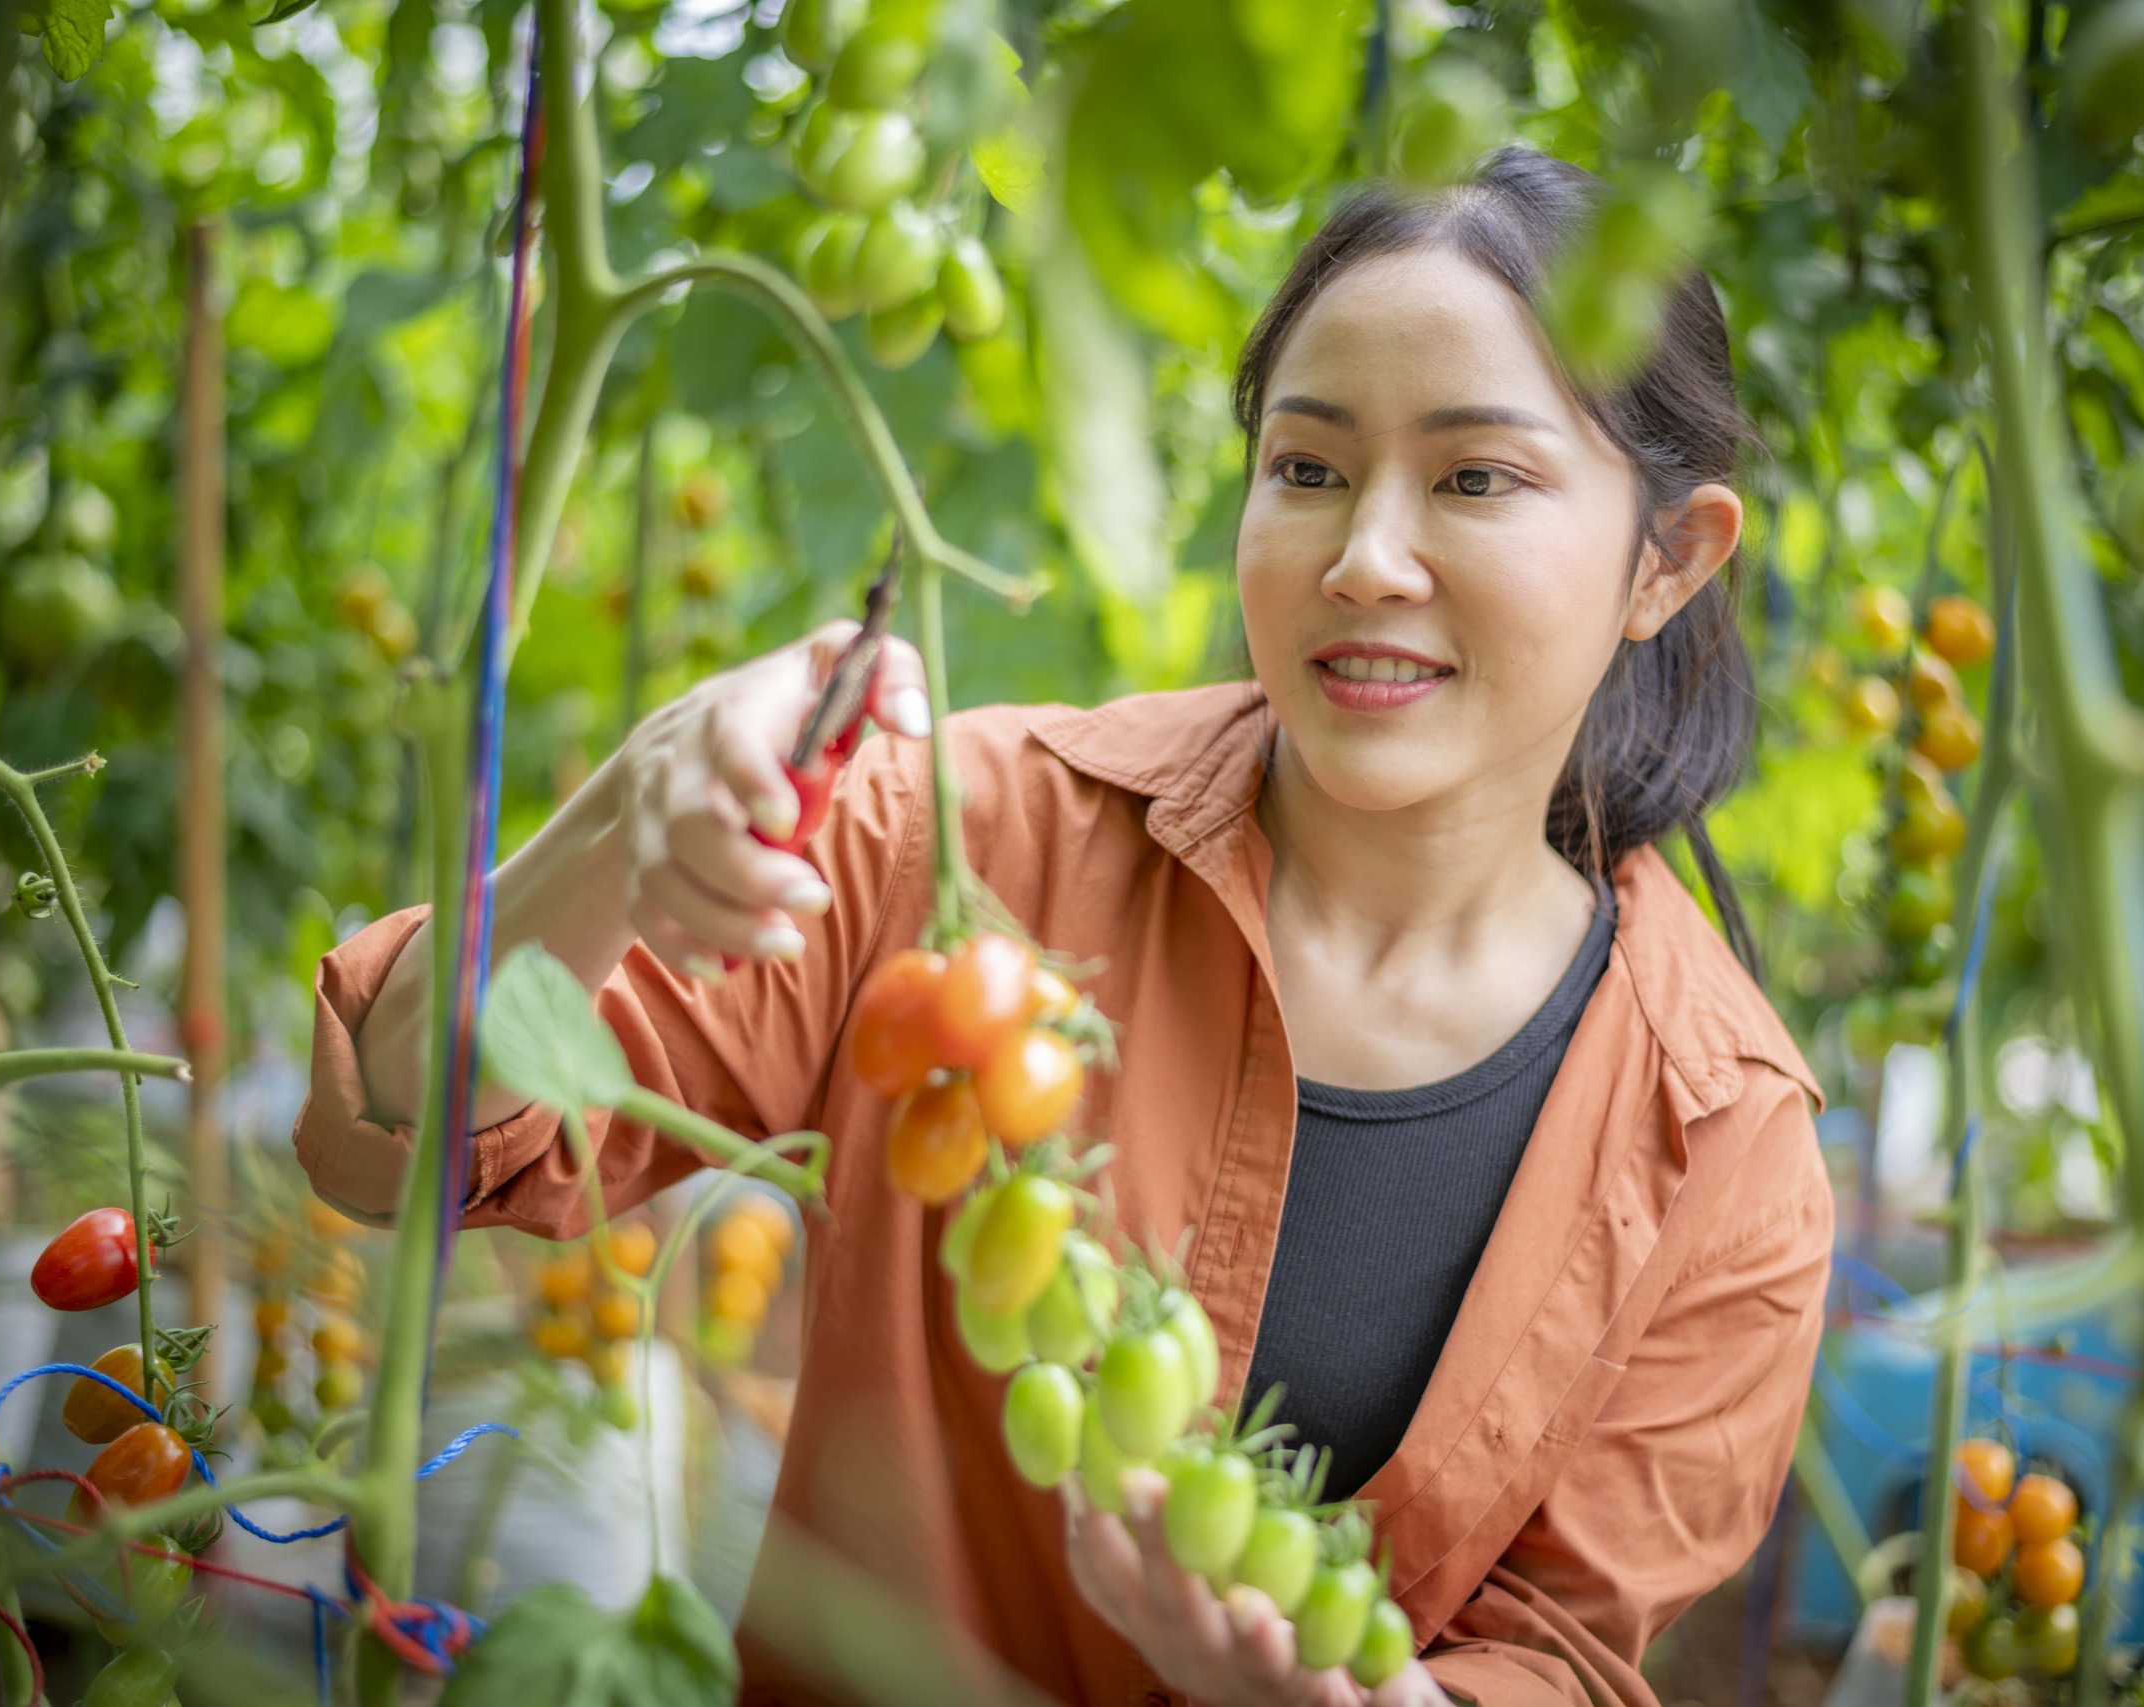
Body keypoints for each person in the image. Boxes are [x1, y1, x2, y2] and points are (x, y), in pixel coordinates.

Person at [295, 146, 1831, 1707]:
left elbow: (1565, 1655)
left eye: (1474, 478)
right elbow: (398, 1137)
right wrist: (630, 816)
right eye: (1305, 469)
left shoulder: (1726, 1145)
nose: (1364, 559)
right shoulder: (960, 844)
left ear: (1669, 560)